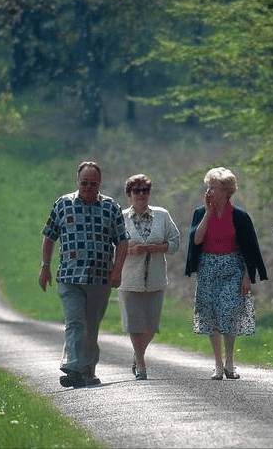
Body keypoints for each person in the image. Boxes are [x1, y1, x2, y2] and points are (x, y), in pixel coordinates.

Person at [39, 161, 129, 388]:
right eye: (84, 183)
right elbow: (49, 236)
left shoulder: (110, 207)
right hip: (70, 276)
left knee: (91, 326)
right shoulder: (63, 204)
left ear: (100, 184)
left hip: (100, 278)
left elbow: (122, 241)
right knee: (75, 322)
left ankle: (87, 370)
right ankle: (73, 367)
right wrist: (45, 266)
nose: (88, 187)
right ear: (77, 181)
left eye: (93, 184)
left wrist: (117, 271)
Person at [185, 167, 268, 380]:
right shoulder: (199, 213)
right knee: (211, 314)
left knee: (230, 312)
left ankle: (230, 362)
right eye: (208, 187)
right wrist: (208, 212)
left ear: (226, 191)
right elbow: (196, 240)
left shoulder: (240, 216)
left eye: (214, 187)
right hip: (208, 268)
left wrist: (248, 276)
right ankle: (218, 365)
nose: (209, 191)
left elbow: (250, 250)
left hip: (233, 268)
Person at [118, 174, 180, 380]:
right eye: (137, 190)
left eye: (145, 190)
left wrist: (154, 248)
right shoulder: (120, 217)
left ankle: (137, 356)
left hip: (155, 279)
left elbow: (175, 242)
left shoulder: (162, 215)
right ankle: (142, 365)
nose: (141, 194)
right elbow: (110, 246)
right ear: (129, 194)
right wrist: (128, 250)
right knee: (134, 324)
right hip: (129, 279)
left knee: (152, 325)